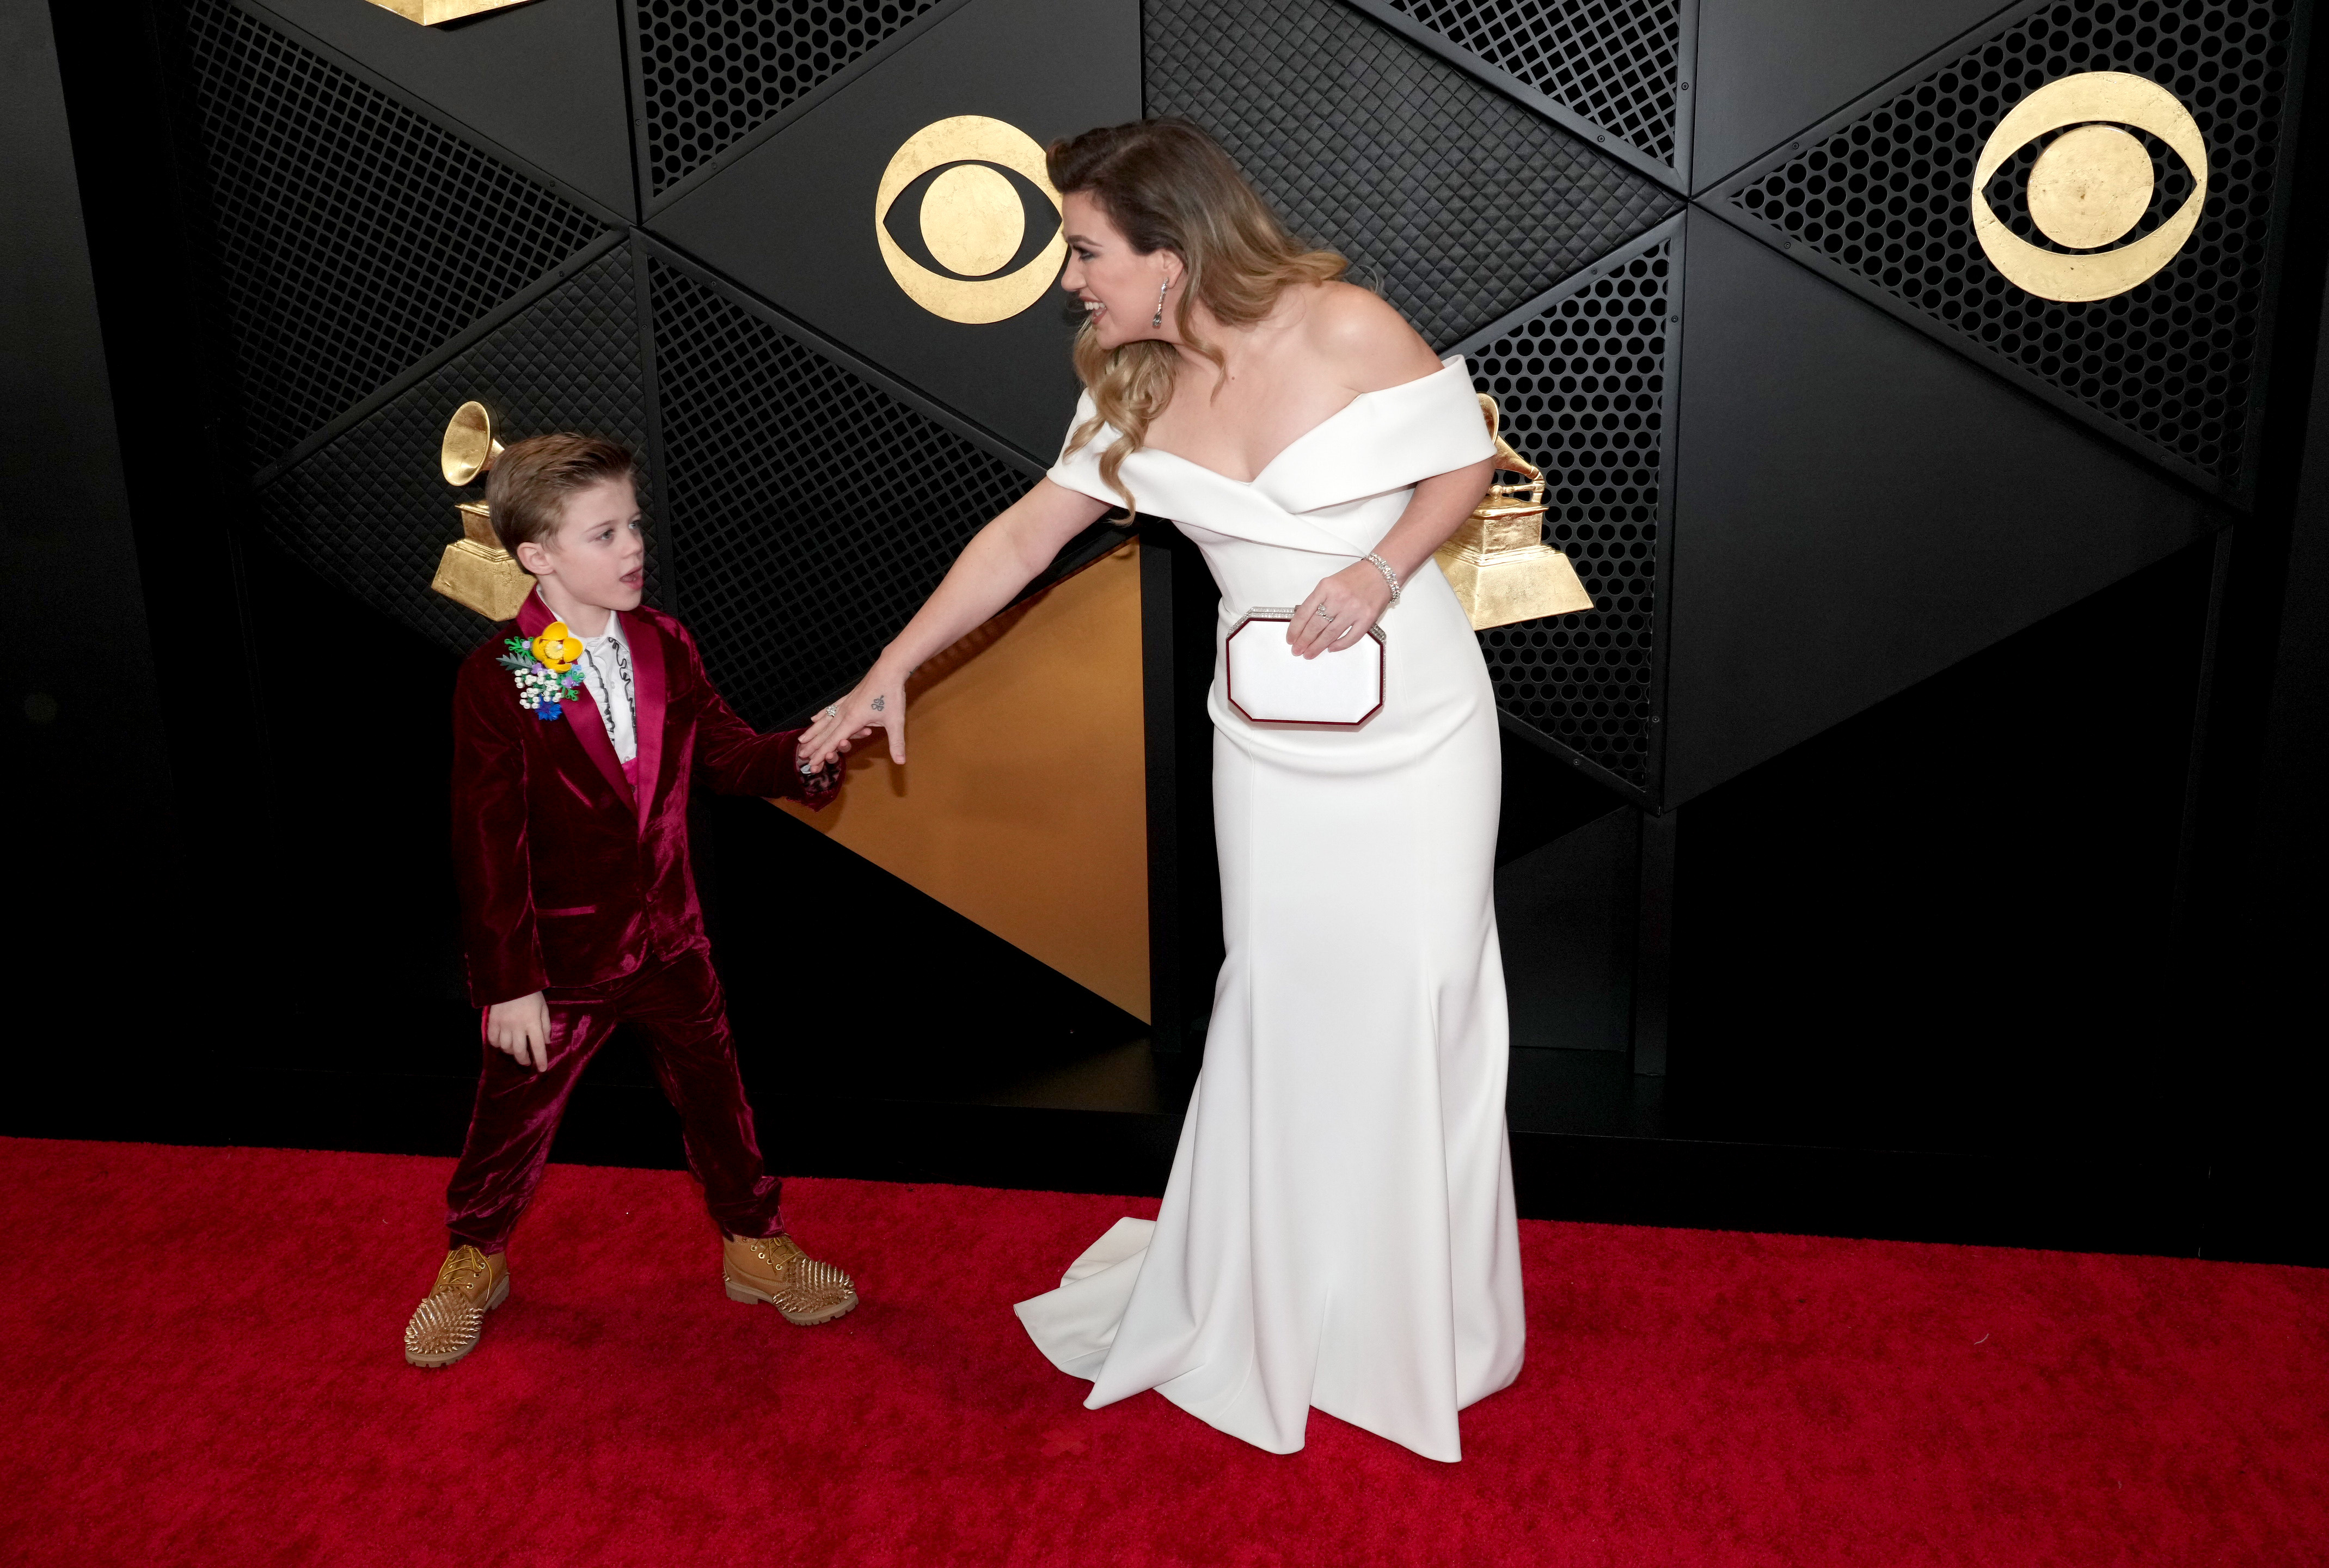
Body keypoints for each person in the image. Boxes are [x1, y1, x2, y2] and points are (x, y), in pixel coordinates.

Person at [797, 120, 1518, 1460]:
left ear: (1173, 258)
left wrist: (1381, 570)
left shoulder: (1344, 325)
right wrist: (890, 671)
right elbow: (1023, 534)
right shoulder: (1126, 388)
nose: (1071, 278)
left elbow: (1463, 461)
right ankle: (1275, 1288)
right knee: (1286, 998)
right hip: (1266, 745)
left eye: (1087, 250)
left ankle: (1413, 1314)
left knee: (1422, 992)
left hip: (1414, 725)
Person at [403, 434, 857, 1370]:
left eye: (634, 524)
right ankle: (474, 1258)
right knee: (511, 1120)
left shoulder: (665, 643)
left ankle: (752, 1246)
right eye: (605, 533)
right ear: (536, 556)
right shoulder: (501, 675)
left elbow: (729, 757)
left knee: (720, 1104)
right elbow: (488, 844)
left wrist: (810, 749)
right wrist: (508, 983)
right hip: (557, 966)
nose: (633, 547)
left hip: (673, 943)